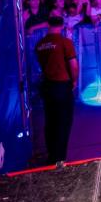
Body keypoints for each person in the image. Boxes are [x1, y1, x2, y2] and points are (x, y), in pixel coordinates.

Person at [35, 15, 78, 166]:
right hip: (62, 85)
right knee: (64, 122)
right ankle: (60, 158)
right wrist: (74, 80)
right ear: (62, 25)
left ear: (48, 24)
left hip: (47, 85)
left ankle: (51, 155)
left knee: (50, 121)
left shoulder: (40, 44)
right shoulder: (65, 42)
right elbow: (73, 65)